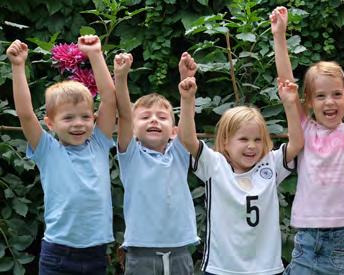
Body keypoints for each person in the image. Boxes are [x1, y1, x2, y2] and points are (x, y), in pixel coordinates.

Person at [270, 6, 344, 274]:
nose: (329, 102)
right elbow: (286, 84)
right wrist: (279, 35)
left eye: (336, 95)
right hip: (306, 239)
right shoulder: (304, 129)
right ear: (308, 102)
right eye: (320, 96)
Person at [6, 35, 116, 275]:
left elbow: (109, 100)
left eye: (85, 117)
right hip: (58, 255)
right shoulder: (48, 151)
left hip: (97, 254)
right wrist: (17, 67)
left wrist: (95, 55)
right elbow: (25, 115)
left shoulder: (98, 143)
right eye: (68, 118)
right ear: (50, 123)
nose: (78, 124)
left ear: (94, 119)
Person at [177, 71, 303, 274]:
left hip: (267, 268)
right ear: (226, 141)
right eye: (243, 139)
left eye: (257, 140)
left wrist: (289, 104)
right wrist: (187, 99)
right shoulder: (214, 165)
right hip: (223, 268)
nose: (252, 146)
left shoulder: (270, 163)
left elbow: (297, 143)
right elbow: (188, 139)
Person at [113, 51, 199, 275]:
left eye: (161, 117)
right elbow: (123, 114)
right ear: (133, 129)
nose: (153, 120)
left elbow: (189, 129)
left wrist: (187, 88)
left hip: (180, 251)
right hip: (141, 255)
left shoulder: (178, 155)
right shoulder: (130, 156)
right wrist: (120, 78)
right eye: (144, 117)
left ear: (173, 131)